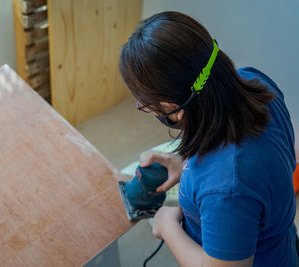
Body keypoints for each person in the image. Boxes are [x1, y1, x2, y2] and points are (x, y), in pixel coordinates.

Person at [119, 11, 297, 267]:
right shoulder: (253, 81)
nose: (144, 106)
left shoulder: (227, 188)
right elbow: (266, 165)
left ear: (173, 107)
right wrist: (186, 164)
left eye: (145, 105)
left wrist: (167, 226)